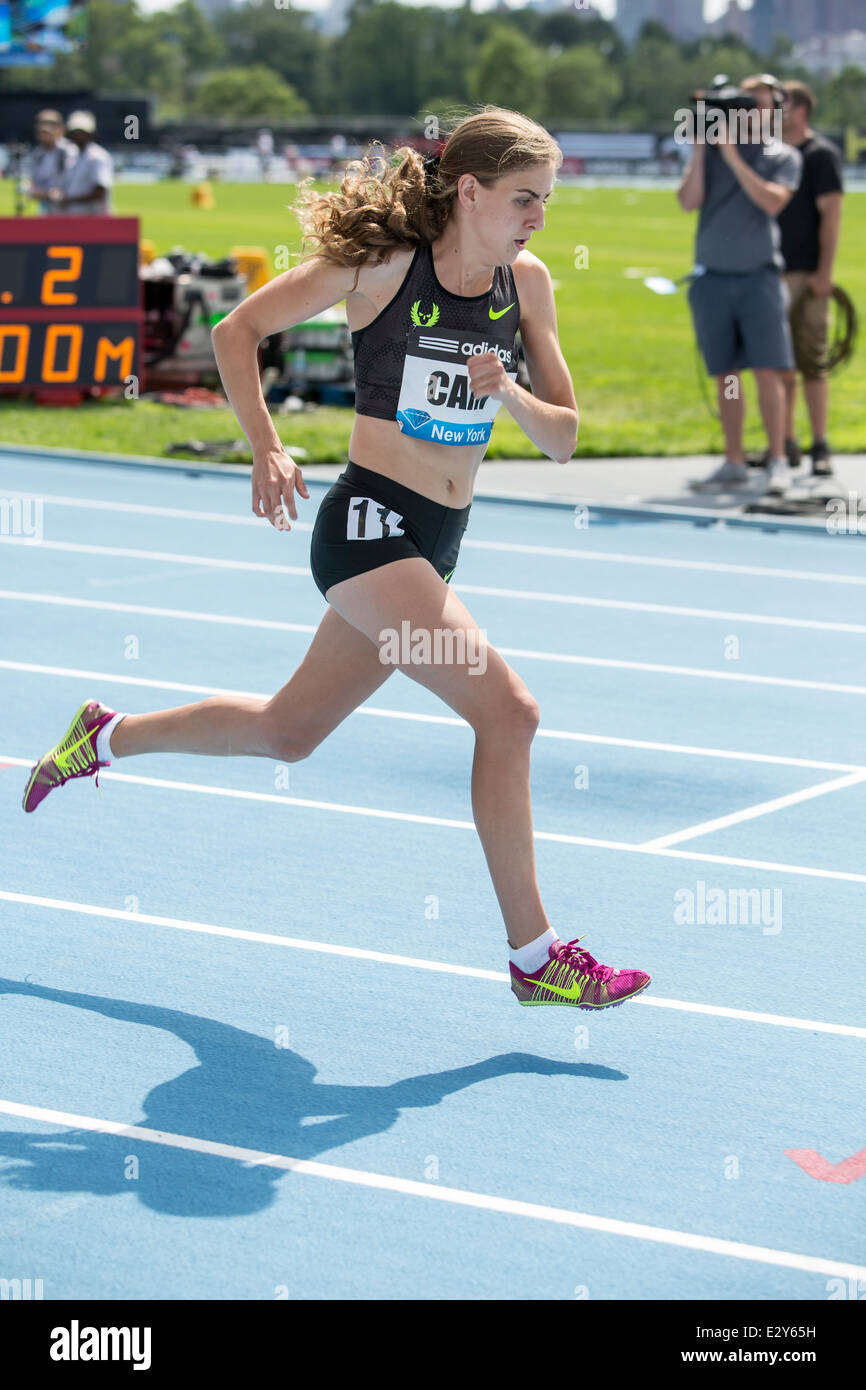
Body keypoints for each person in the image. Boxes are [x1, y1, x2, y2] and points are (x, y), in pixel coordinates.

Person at [21, 106, 651, 1014]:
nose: (538, 217)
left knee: (288, 732)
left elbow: (564, 440)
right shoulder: (383, 266)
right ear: (468, 191)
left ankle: (103, 735)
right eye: (524, 198)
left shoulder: (528, 283)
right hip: (368, 527)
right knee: (509, 715)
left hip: (438, 545)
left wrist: (507, 385)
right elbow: (237, 332)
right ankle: (536, 956)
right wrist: (265, 445)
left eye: (546, 201)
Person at [679, 76, 803, 495]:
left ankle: (777, 458)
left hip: (759, 279)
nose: (751, 112)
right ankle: (734, 460)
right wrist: (701, 147)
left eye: (760, 104)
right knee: (727, 376)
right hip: (713, 279)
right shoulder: (710, 154)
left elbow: (771, 201)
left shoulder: (782, 155)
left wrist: (732, 157)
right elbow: (687, 201)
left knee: (769, 371)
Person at [777, 81, 844, 479]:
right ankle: (786, 443)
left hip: (807, 273)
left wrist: (825, 272)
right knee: (778, 364)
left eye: (782, 105)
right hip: (772, 273)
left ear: (801, 110)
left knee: (812, 362)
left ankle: (820, 444)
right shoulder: (774, 155)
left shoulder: (821, 156)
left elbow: (832, 216)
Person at [50, 110, 113, 215]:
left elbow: (99, 192)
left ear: (89, 133)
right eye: (75, 132)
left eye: (81, 132)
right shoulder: (74, 155)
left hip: (94, 217)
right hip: (76, 217)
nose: (77, 135)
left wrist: (69, 200)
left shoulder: (97, 156)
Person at [22, 109, 77, 216]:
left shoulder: (70, 151)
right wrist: (47, 193)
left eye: (51, 125)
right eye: (42, 125)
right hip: (47, 210)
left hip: (70, 211)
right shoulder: (37, 154)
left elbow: (73, 185)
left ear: (61, 129)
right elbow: (32, 186)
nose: (45, 131)